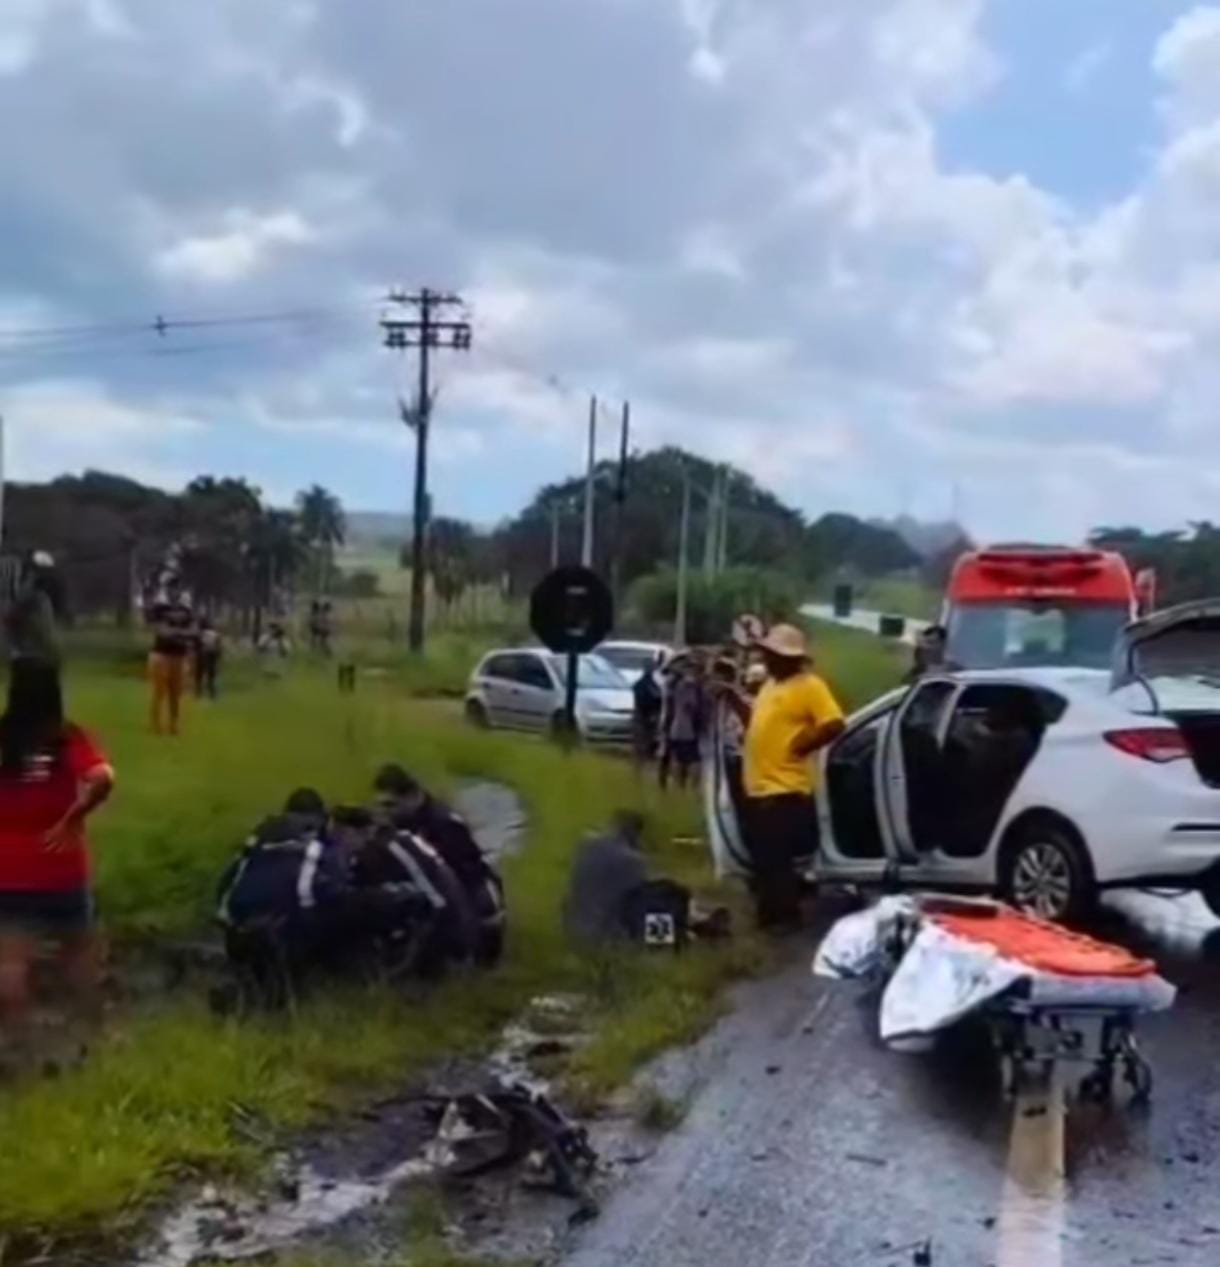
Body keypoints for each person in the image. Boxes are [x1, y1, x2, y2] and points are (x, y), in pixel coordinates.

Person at [0, 663, 114, 1047]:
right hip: (62, 865)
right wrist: (74, 817)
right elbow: (103, 777)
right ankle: (91, 1036)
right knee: (80, 953)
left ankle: (20, 1043)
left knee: (12, 959)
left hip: (8, 867)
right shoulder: (68, 738)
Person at [727, 623, 845, 931]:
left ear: (789, 658)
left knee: (777, 861)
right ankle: (768, 916)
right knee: (764, 858)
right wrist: (733, 700)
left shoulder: (809, 686)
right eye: (766, 654)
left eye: (772, 655)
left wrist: (803, 744)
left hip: (784, 789)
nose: (767, 659)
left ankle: (785, 919)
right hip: (758, 787)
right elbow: (755, 723)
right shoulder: (769, 687)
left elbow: (834, 723)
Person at [371, 764, 505, 966]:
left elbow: (467, 877)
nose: (385, 812)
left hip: (467, 895)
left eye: (391, 805)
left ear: (413, 797)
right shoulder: (399, 823)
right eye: (381, 806)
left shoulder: (445, 826)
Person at [563, 811, 728, 950]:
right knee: (666, 896)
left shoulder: (587, 845)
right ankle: (689, 928)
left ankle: (695, 923)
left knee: (656, 899)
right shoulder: (631, 860)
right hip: (614, 932)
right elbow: (639, 900)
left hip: (575, 928)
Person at [147, 575, 195, 735]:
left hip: (179, 655)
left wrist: (175, 633)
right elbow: (160, 631)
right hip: (161, 654)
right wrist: (181, 634)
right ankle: (156, 724)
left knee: (176, 693)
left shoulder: (186, 610)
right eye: (172, 588)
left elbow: (193, 631)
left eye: (177, 588)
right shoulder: (160, 607)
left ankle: (174, 725)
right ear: (167, 589)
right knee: (159, 692)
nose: (175, 591)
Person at [659, 656, 705, 790]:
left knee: (683, 759)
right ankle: (682, 786)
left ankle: (681, 786)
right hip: (684, 729)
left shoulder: (683, 685)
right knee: (686, 760)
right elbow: (691, 706)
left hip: (684, 728)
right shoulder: (685, 686)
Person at [631, 651, 665, 768]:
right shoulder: (641, 685)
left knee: (648, 744)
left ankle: (643, 764)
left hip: (649, 718)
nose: (651, 669)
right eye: (649, 667)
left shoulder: (653, 684)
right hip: (642, 717)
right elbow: (643, 702)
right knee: (642, 745)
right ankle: (640, 767)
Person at [195, 618, 223, 699]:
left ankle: (198, 693)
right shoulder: (214, 633)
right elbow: (219, 646)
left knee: (199, 675)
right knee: (211, 676)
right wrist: (219, 656)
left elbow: (196, 646)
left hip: (201, 654)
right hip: (212, 655)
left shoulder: (199, 634)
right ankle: (212, 694)